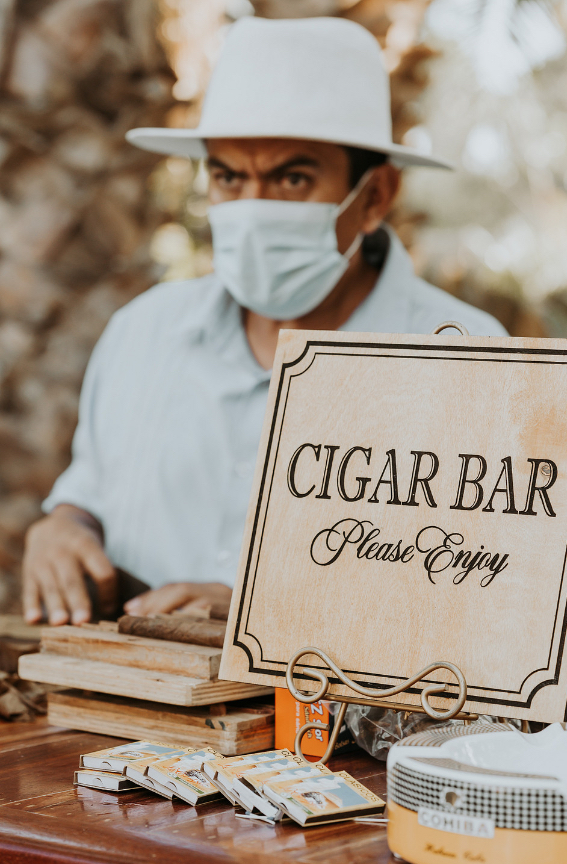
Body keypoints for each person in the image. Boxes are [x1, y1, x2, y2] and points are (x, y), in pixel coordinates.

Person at [22, 15, 506, 627]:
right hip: (120, 711)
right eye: (229, 176)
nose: (255, 207)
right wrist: (61, 527)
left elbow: (486, 604)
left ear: (376, 196)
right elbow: (88, 497)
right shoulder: (140, 333)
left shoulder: (471, 360)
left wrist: (272, 617)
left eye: (292, 177)